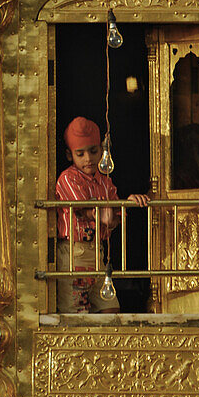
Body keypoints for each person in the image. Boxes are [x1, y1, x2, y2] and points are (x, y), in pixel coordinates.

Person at [55, 116, 150, 314]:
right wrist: (101, 214)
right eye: (80, 154)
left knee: (110, 310)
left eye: (93, 151)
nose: (88, 158)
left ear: (102, 151)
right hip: (75, 253)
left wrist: (129, 202)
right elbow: (81, 207)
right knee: (76, 313)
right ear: (69, 155)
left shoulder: (105, 182)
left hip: (97, 253)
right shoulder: (68, 178)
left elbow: (114, 216)